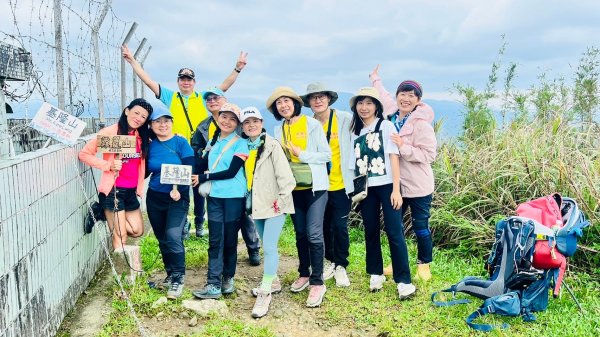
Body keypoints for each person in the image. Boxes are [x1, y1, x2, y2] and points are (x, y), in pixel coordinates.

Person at [122, 45, 248, 238]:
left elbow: (224, 87)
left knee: (198, 186)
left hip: (198, 150)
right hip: (178, 149)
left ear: (194, 82)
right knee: (179, 184)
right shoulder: (170, 96)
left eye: (189, 79)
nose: (186, 82)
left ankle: (199, 220)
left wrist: (237, 68)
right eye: (182, 79)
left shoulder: (203, 98)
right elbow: (149, 82)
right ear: (178, 81)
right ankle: (184, 222)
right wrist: (132, 61)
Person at [370, 65, 437, 281]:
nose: (405, 99)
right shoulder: (392, 115)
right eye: (402, 94)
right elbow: (384, 95)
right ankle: (398, 261)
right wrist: (375, 79)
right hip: (395, 184)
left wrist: (403, 147)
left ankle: (424, 264)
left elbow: (429, 155)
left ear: (418, 100)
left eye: (411, 96)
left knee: (420, 227)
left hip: (418, 186)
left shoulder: (422, 125)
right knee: (394, 227)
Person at [348, 87, 416, 300]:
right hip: (365, 188)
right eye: (361, 103)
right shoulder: (355, 131)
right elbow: (355, 164)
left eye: (369, 103)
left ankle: (404, 281)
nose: (364, 107)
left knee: (395, 232)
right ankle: (375, 273)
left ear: (377, 106)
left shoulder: (385, 126)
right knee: (370, 230)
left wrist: (396, 190)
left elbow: (394, 157)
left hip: (386, 185)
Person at [268, 87, 331, 308]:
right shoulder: (278, 130)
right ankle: (304, 273)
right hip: (294, 189)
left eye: (286, 101)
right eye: (279, 103)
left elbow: (326, 154)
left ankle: (318, 282)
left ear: (295, 103)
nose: (283, 105)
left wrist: (301, 154)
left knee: (314, 234)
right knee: (301, 233)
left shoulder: (312, 124)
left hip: (315, 188)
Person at [191, 87, 262, 265]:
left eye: (216, 98)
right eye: (209, 100)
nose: (212, 102)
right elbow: (201, 158)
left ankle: (253, 249)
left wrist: (203, 177)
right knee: (219, 233)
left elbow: (255, 137)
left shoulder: (241, 130)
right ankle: (218, 269)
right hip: (217, 190)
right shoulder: (205, 127)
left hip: (237, 187)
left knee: (243, 221)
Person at [239, 107, 296, 318]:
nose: (251, 125)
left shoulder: (272, 146)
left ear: (261, 122)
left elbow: (286, 178)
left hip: (274, 205)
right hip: (256, 204)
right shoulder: (244, 146)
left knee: (270, 247)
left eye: (255, 121)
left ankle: (264, 292)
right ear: (242, 126)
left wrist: (280, 201)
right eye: (247, 122)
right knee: (265, 244)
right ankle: (274, 281)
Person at [79, 98, 152, 252]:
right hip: (114, 190)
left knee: (137, 231)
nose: (138, 118)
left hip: (131, 192)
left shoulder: (141, 136)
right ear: (127, 111)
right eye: (136, 113)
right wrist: (108, 165)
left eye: (143, 117)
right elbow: (84, 154)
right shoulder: (110, 132)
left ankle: (102, 213)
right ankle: (122, 275)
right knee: (120, 236)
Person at [193, 103, 249, 299]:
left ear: (238, 124)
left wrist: (204, 178)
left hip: (233, 197)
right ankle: (213, 283)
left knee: (230, 239)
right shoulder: (214, 142)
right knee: (215, 239)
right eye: (224, 117)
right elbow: (202, 163)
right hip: (215, 197)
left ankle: (228, 278)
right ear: (218, 118)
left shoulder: (241, 143)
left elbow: (231, 172)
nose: (227, 121)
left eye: (233, 119)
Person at [300, 82, 353, 287]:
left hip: (340, 183)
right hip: (318, 185)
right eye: (313, 97)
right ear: (309, 102)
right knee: (323, 227)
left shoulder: (344, 120)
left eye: (322, 96)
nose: (318, 100)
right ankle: (330, 261)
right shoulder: (307, 124)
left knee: (339, 226)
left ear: (329, 99)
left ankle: (341, 265)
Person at [145, 107, 198, 299]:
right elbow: (143, 171)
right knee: (162, 237)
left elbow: (190, 167)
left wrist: (179, 188)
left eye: (167, 120)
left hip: (178, 197)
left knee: (173, 235)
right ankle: (169, 272)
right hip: (154, 197)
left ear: (172, 123)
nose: (163, 124)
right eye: (158, 121)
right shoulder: (149, 146)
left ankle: (178, 278)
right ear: (151, 125)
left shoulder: (180, 142)